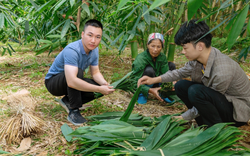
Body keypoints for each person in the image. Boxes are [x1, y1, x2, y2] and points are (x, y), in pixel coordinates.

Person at [137, 19, 250, 127]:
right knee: (180, 85)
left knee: (195, 91)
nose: (183, 51)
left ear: (200, 46)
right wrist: (153, 80)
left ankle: (215, 128)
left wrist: (183, 117)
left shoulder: (222, 70)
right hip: (219, 102)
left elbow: (211, 97)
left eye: (185, 48)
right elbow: (179, 73)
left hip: (235, 113)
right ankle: (203, 122)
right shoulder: (199, 60)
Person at [45, 19, 115, 125]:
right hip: (54, 83)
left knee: (98, 88)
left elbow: (95, 72)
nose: (93, 41)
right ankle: (74, 111)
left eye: (98, 37)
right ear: (82, 34)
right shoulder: (72, 51)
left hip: (71, 79)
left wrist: (104, 84)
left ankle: (68, 101)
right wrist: (99, 88)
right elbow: (72, 81)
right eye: (90, 35)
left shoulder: (94, 50)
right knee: (79, 73)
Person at [131, 33, 176, 104]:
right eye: (152, 46)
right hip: (144, 84)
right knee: (149, 70)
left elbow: (165, 74)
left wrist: (170, 85)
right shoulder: (140, 59)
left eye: (159, 47)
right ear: (148, 45)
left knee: (171, 65)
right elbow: (134, 81)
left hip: (157, 82)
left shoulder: (162, 57)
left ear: (162, 47)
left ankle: (163, 92)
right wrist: (149, 90)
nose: (155, 50)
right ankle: (142, 94)